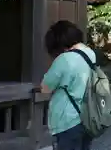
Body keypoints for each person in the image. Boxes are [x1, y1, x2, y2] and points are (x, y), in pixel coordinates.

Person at [40, 20, 96, 150]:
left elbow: (45, 88)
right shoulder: (90, 54)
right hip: (88, 117)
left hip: (68, 121)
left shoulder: (64, 59)